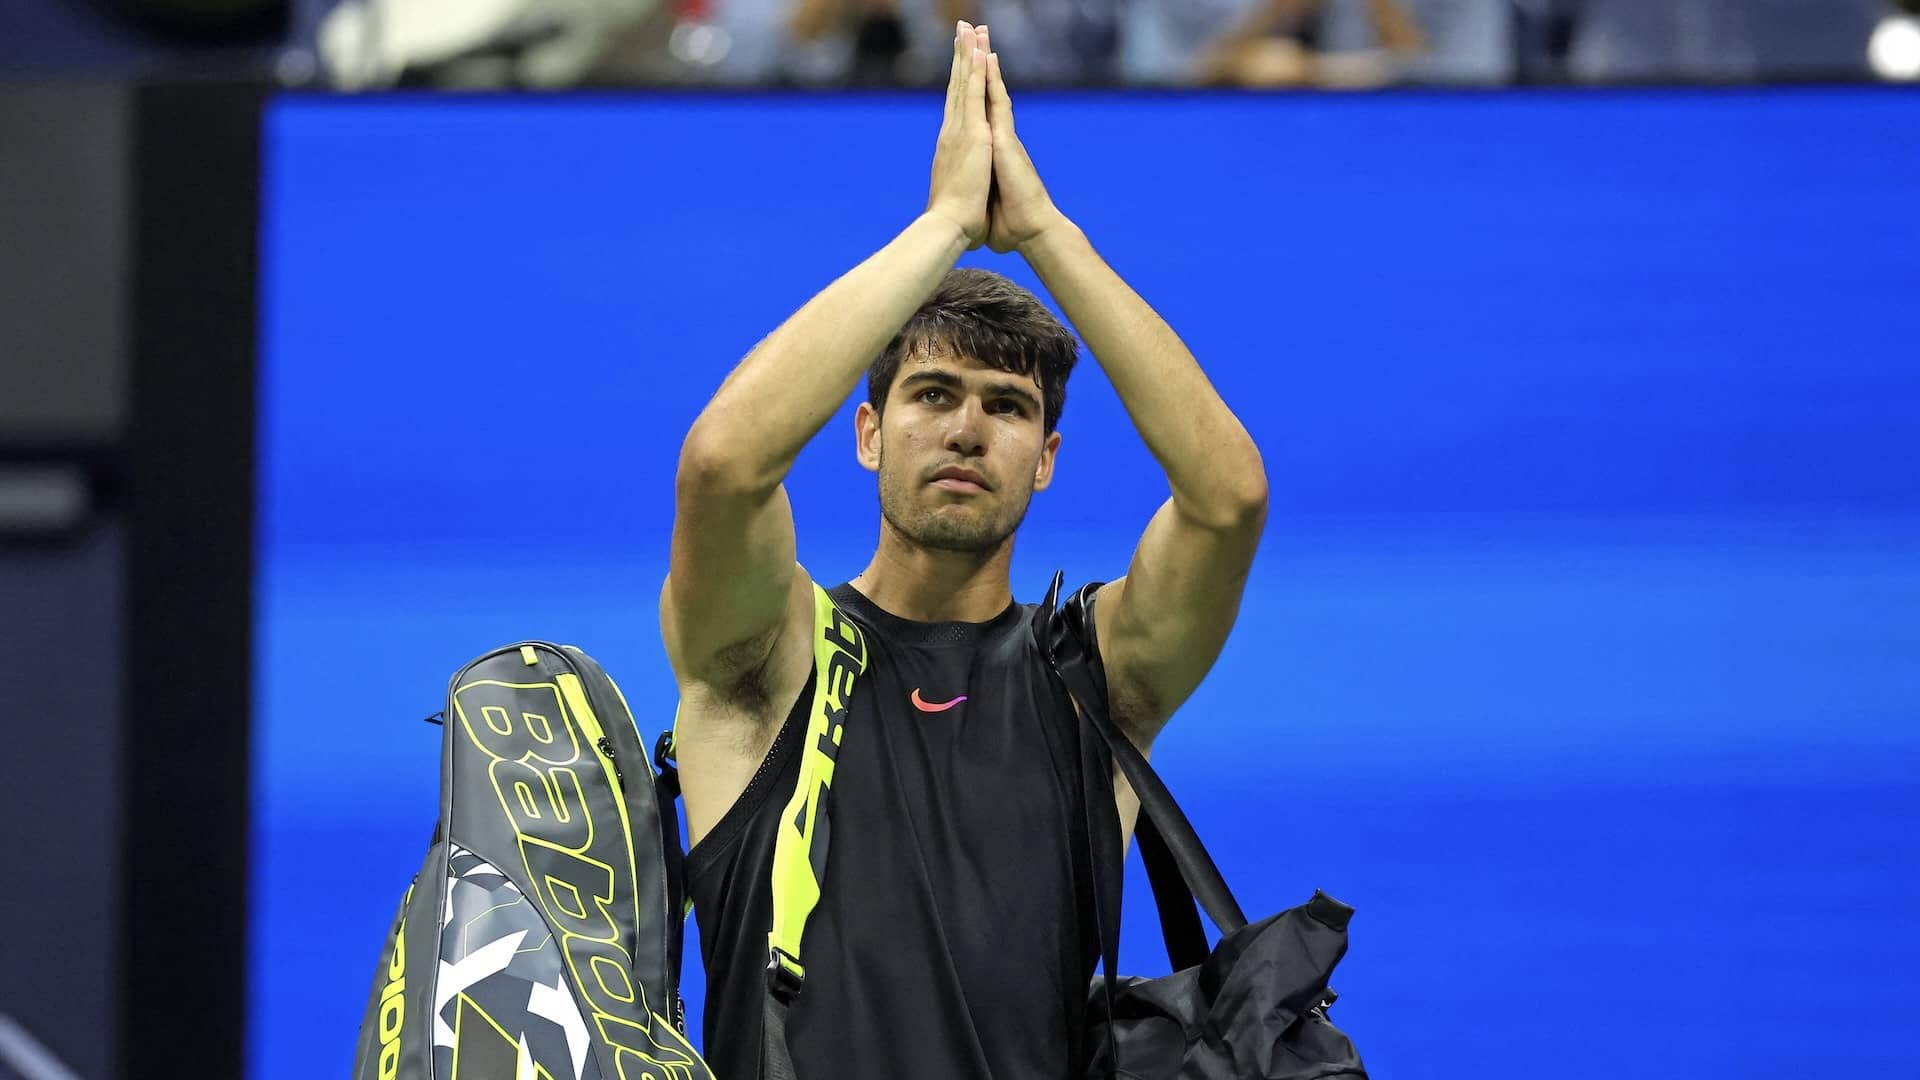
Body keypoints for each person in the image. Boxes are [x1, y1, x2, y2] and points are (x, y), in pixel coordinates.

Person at [662, 21, 1268, 1078]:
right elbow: (723, 462)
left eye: (1007, 407)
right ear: (867, 432)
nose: (966, 428)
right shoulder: (771, 657)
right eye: (931, 395)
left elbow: (1229, 499)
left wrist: (1042, 232)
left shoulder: (1097, 679)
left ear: (1045, 458)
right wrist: (944, 224)